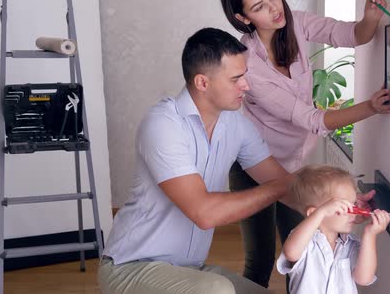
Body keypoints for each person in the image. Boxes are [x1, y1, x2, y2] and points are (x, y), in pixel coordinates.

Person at [220, 0, 390, 288]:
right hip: (254, 168)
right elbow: (313, 120)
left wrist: (370, 19)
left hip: (295, 167)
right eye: (259, 7)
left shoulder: (296, 22)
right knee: (259, 262)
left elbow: (351, 34)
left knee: (304, 252)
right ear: (243, 19)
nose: (274, 8)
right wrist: (369, 106)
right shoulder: (249, 66)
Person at [98, 27, 300, 294]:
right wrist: (280, 188)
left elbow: (281, 181)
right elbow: (205, 213)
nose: (246, 85)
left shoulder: (237, 125)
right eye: (236, 78)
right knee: (216, 290)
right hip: (130, 268)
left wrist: (338, 201)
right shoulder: (163, 124)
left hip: (188, 269)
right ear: (203, 82)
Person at [276, 165, 390, 294]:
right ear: (315, 212)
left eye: (353, 205)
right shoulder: (305, 242)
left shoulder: (351, 245)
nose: (353, 213)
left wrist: (370, 234)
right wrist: (320, 214)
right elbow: (291, 253)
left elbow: (364, 279)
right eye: (343, 207)